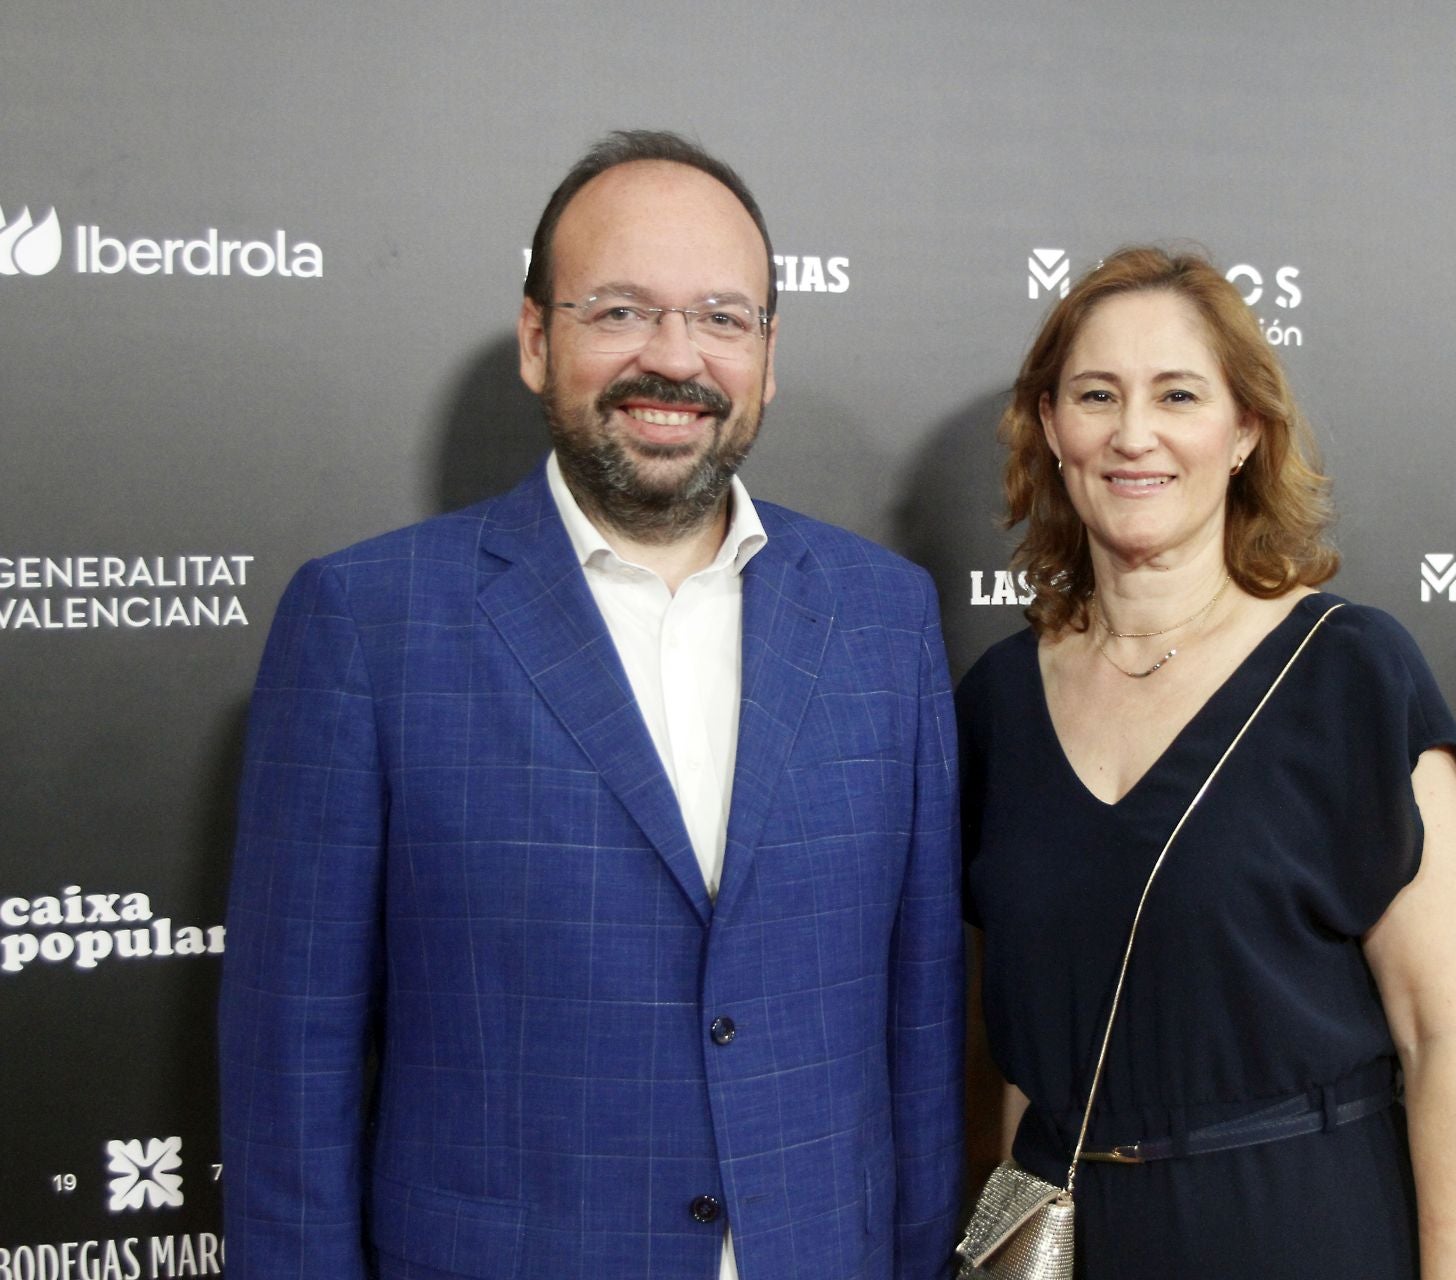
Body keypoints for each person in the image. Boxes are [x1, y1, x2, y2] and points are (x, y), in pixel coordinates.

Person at [218, 130, 964, 1280]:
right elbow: (290, 1071)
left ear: (768, 354)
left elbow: (919, 1030)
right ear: (536, 339)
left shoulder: (883, 618)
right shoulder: (367, 624)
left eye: (723, 317)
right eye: (620, 311)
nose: (676, 358)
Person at [959, 247, 1456, 1277]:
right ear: (1052, 431)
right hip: (1057, 1234)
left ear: (1245, 431)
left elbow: (1447, 1047)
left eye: (1177, 394)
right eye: (1095, 395)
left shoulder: (1350, 673)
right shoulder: (996, 700)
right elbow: (1023, 1053)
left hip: (1294, 1225)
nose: (1133, 433)